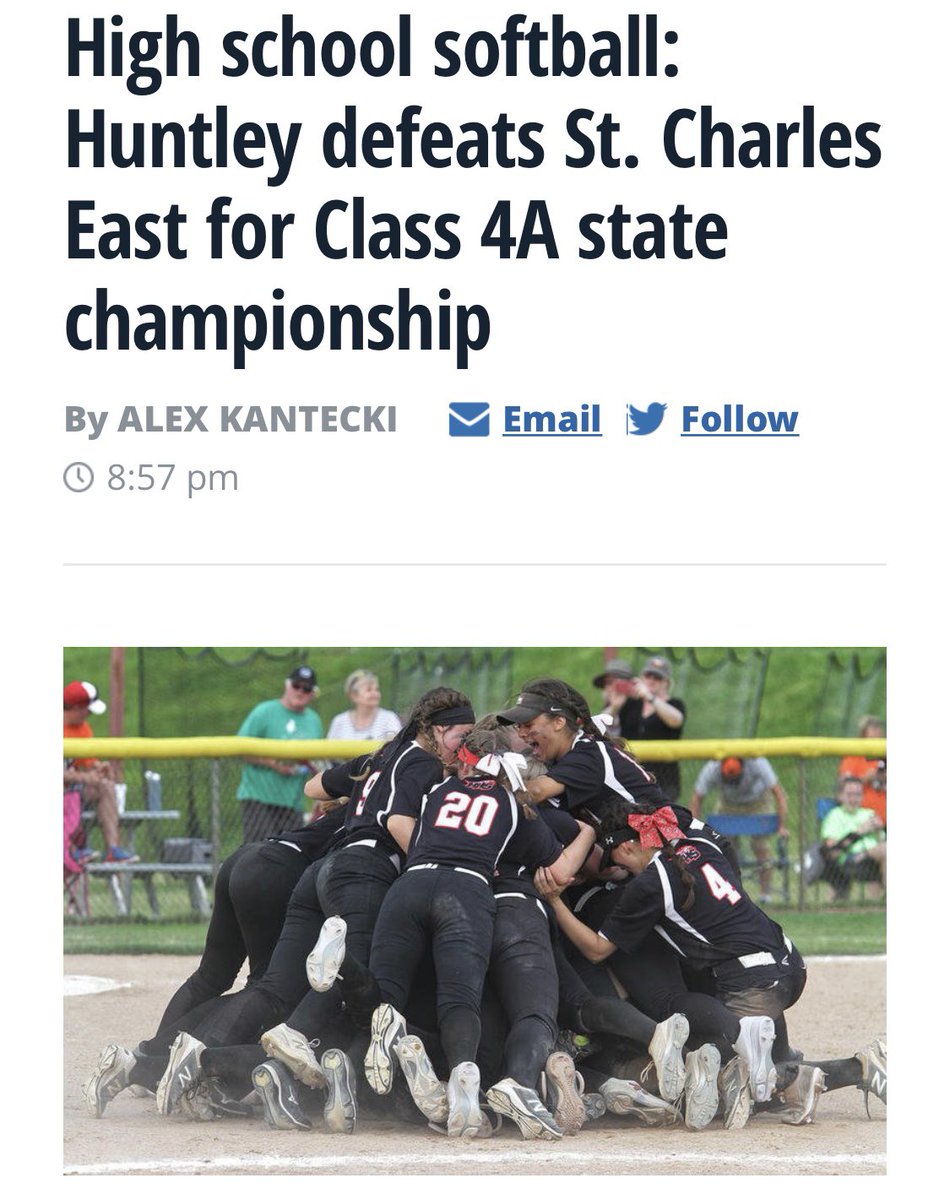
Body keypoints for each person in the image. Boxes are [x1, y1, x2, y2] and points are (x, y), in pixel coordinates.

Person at [235, 665, 324, 843]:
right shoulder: (264, 711)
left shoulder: (314, 720)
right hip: (259, 797)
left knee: (291, 853)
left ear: (313, 693)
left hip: (293, 801)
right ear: (287, 685)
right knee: (258, 852)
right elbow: (241, 749)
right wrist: (274, 764)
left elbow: (317, 761)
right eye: (296, 686)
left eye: (306, 689)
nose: (300, 692)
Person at [690, 756, 789, 902]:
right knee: (723, 848)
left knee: (760, 847)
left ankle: (765, 894)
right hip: (728, 803)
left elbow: (779, 793)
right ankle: (729, 893)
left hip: (758, 802)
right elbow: (697, 798)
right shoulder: (712, 767)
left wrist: (782, 826)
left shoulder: (757, 762)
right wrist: (694, 828)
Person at [594, 656, 686, 801]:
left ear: (667, 682)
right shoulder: (632, 704)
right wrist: (615, 706)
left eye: (657, 677)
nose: (651, 680)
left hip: (664, 779)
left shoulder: (674, 704)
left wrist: (650, 697)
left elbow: (676, 720)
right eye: (648, 675)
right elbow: (597, 726)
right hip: (631, 775)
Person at [63, 680, 136, 863]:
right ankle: (69, 850)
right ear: (77, 707)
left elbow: (86, 762)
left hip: (72, 790)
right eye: (87, 709)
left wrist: (98, 767)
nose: (89, 714)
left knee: (105, 786)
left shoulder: (83, 728)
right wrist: (85, 777)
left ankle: (113, 849)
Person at [820, 774, 886, 900]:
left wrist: (878, 830)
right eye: (849, 794)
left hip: (872, 858)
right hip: (849, 860)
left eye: (858, 794)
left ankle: (879, 904)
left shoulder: (869, 814)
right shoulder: (835, 815)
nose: (854, 798)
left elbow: (881, 842)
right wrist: (860, 831)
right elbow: (833, 850)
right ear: (840, 796)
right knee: (886, 850)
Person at [326, 670, 402, 746]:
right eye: (369, 690)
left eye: (377, 689)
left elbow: (396, 748)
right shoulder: (339, 721)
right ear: (353, 695)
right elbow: (329, 753)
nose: (375, 693)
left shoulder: (389, 718)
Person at [838, 716, 886, 825]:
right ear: (863, 734)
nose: (877, 733)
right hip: (859, 818)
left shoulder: (885, 754)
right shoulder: (854, 755)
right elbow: (843, 784)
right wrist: (865, 778)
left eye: (879, 729)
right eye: (873, 730)